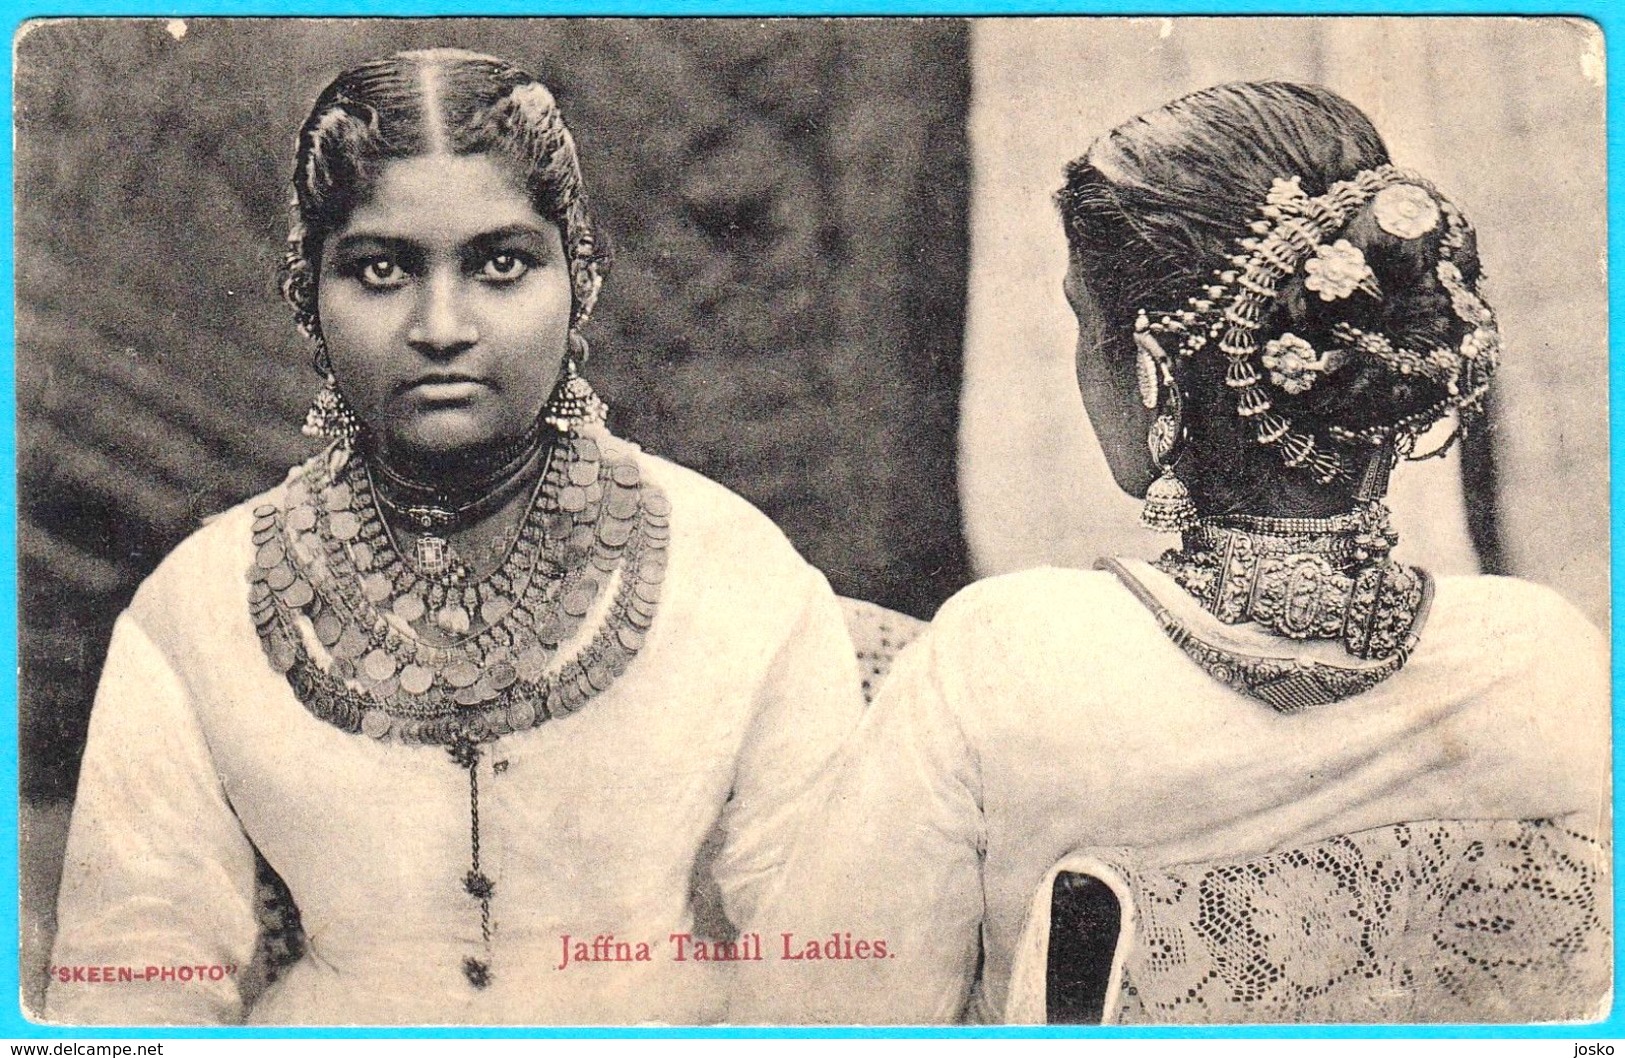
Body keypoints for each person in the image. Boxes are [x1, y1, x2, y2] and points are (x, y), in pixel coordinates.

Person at [729, 82, 1609, 1025]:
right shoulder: (1545, 655)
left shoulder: (1000, 659)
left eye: (1082, 318)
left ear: (1148, 368)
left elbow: (807, 1024)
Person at [45, 48, 864, 1025]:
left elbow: (831, 964)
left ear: (580, 280)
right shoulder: (201, 606)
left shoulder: (734, 575)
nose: (442, 324)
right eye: (381, 268)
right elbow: (133, 978)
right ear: (309, 295)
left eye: (499, 263)